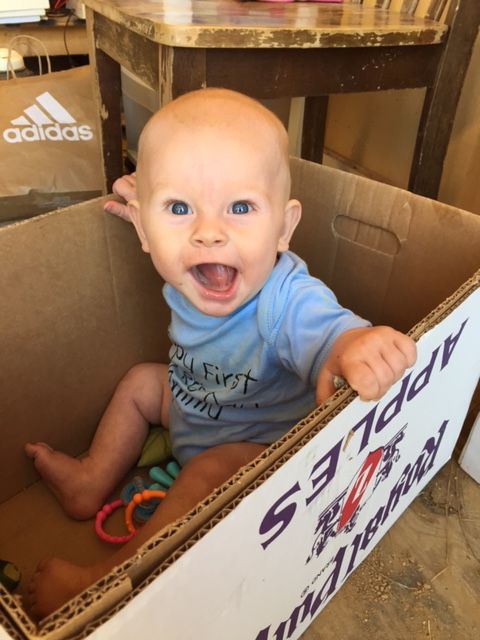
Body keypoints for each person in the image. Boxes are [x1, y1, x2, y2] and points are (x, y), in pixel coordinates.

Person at [25, 88, 416, 619]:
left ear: (283, 228)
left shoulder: (282, 299)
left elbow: (325, 330)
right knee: (142, 381)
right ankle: (93, 478)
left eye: (240, 207)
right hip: (194, 405)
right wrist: (149, 203)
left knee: (208, 471)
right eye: (180, 208)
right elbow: (165, 208)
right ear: (143, 228)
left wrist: (350, 344)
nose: (208, 232)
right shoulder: (185, 258)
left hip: (257, 451)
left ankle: (108, 585)